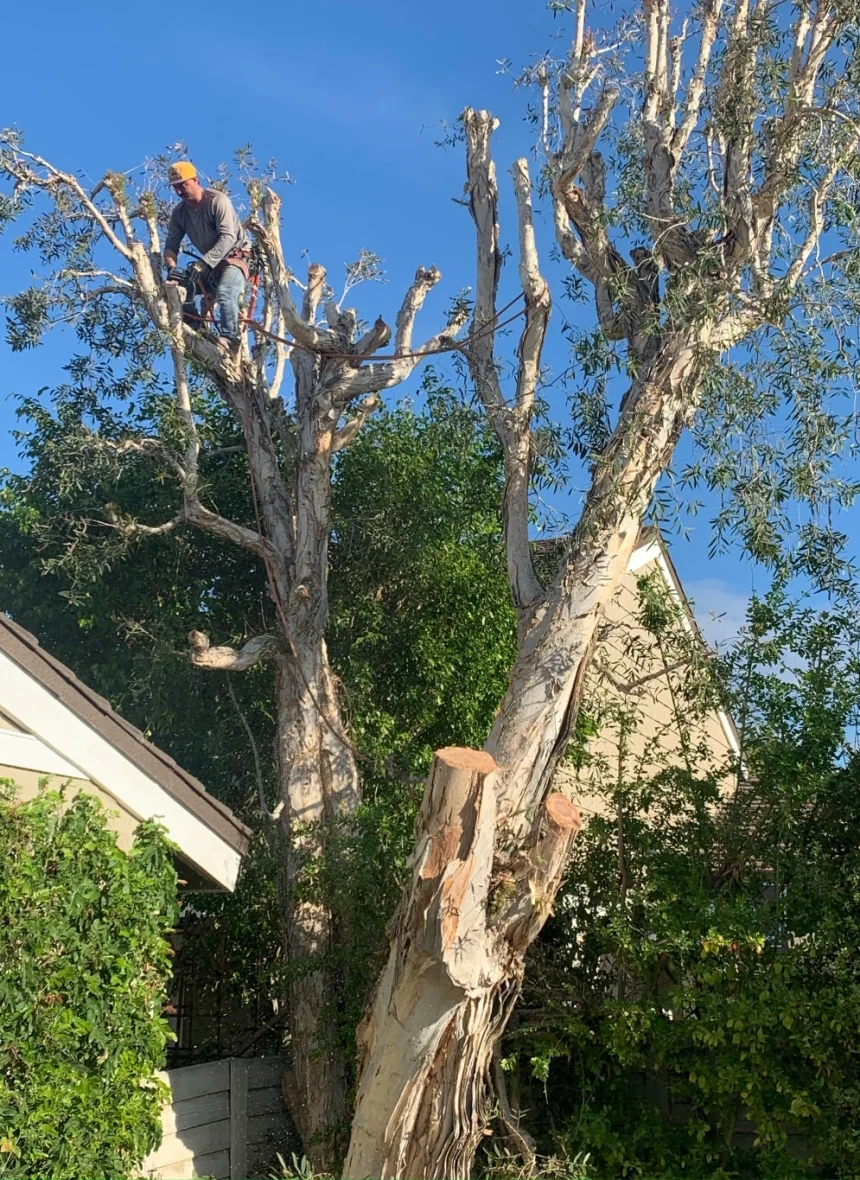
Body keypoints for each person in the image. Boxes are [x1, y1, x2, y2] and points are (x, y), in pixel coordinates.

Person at [163, 162, 250, 344]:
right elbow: (171, 247)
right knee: (181, 287)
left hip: (236, 257)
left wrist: (203, 263)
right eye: (175, 187)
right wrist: (172, 269)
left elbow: (227, 238)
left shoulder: (217, 201)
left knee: (226, 292)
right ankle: (194, 327)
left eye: (183, 185)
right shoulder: (179, 214)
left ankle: (229, 338)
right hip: (211, 265)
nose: (179, 191)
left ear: (195, 180)